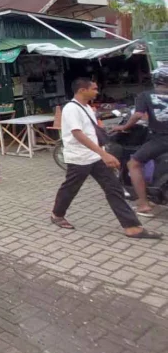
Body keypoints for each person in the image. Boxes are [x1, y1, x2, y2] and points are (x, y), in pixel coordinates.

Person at [51, 78, 160, 238]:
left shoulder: (87, 107)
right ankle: (57, 214)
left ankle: (131, 226)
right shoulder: (71, 109)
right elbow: (77, 133)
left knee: (114, 188)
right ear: (82, 90)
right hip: (79, 158)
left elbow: (91, 131)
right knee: (70, 188)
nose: (97, 92)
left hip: (95, 157)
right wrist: (104, 153)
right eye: (94, 89)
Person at [112, 67, 168, 217]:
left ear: (155, 80)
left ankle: (143, 204)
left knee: (134, 163)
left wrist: (124, 126)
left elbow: (137, 115)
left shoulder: (145, 95)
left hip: (161, 138)